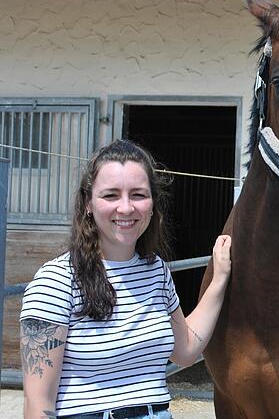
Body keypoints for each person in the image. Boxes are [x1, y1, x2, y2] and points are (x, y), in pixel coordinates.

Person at [20, 139, 232, 419]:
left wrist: (218, 280)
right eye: (110, 195)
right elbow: (38, 404)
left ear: (153, 203)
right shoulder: (56, 281)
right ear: (88, 203)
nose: (126, 208)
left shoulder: (156, 272)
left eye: (138, 195)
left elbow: (185, 350)